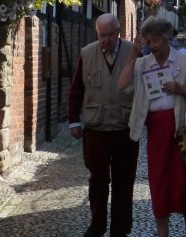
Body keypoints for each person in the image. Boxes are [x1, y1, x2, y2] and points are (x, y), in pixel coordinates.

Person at [117, 16, 186, 237]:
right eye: (148, 42)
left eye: (155, 42)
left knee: (185, 183)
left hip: (183, 129)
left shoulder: (185, 62)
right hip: (157, 131)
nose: (152, 46)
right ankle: (162, 232)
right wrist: (134, 54)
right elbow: (122, 86)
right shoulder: (143, 63)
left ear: (167, 39)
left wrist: (181, 89)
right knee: (159, 182)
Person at [68, 13, 139, 237]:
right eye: (101, 35)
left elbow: (146, 88)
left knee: (124, 181)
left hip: (125, 128)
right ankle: (97, 225)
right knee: (97, 179)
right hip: (95, 129)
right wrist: (73, 121)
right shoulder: (87, 54)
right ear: (96, 33)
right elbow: (76, 90)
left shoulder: (133, 53)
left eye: (110, 35)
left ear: (118, 32)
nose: (106, 39)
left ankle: (120, 228)